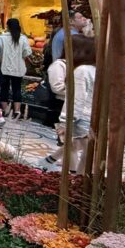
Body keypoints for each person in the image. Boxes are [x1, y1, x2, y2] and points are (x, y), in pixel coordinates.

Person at [51, 36, 97, 172]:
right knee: (87, 155)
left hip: (81, 119)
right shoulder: (95, 69)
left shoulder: (81, 71)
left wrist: (65, 121)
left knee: (80, 151)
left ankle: (77, 184)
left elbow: (77, 99)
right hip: (92, 118)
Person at [0, 17, 34, 120]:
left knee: (4, 89)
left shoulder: (1, 38)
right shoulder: (23, 38)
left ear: (7, 27)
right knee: (17, 89)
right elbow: (27, 53)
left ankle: (5, 110)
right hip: (18, 69)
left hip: (4, 68)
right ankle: (17, 111)